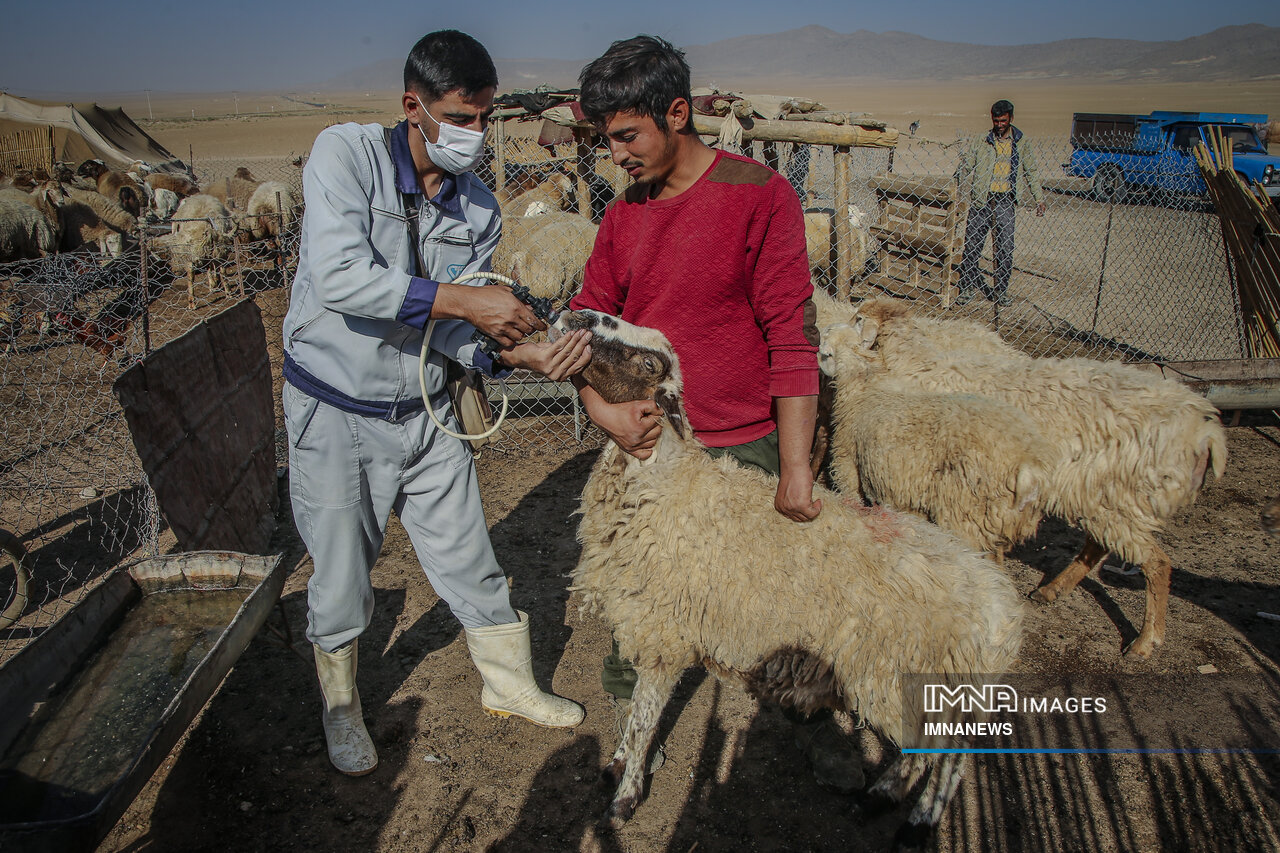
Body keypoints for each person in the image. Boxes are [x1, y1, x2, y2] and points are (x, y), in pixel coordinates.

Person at [282, 30, 591, 777]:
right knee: (342, 574)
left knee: (470, 555)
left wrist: (513, 353)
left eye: (485, 118)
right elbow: (340, 278)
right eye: (460, 117)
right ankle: (341, 707)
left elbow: (453, 331)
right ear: (412, 106)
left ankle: (509, 685)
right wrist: (465, 301)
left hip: (424, 410)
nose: (475, 134)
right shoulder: (345, 157)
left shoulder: (478, 207)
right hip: (337, 411)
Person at [570, 35, 863, 793]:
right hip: (651, 452)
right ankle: (635, 720)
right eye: (607, 141)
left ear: (677, 113)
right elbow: (585, 328)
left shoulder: (758, 196)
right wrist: (603, 412)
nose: (616, 157)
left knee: (782, 606)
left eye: (627, 136)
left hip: (746, 445)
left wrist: (795, 468)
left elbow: (792, 335)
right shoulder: (623, 217)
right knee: (640, 604)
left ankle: (809, 720)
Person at [954, 99, 1045, 307]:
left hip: (1005, 202)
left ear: (1011, 118)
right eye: (996, 120)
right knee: (972, 246)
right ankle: (967, 288)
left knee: (1005, 248)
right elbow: (967, 165)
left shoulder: (1021, 142)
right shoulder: (982, 141)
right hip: (982, 200)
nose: (999, 124)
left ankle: (1000, 291)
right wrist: (957, 182)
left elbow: (1031, 171)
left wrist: (1039, 198)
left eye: (1003, 120)